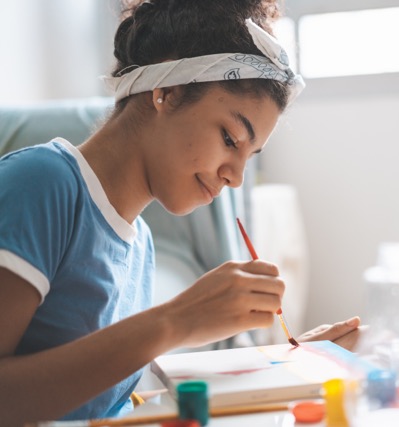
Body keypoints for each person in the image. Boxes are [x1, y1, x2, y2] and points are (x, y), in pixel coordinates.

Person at [0, 0, 361, 424]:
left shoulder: (139, 243)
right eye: (230, 138)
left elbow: (96, 400)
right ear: (166, 92)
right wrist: (174, 321)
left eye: (250, 155)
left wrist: (281, 362)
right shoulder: (42, 182)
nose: (235, 178)